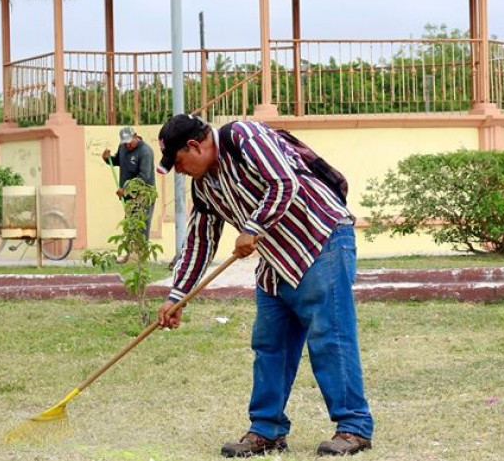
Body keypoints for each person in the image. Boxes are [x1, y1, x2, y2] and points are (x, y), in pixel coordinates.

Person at [155, 114, 374, 458]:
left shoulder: (244, 135)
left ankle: (354, 427)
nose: (179, 171)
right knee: (269, 344)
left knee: (330, 337)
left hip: (321, 241)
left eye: (178, 162)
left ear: (194, 146)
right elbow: (199, 243)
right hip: (275, 261)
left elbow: (284, 183)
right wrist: (177, 297)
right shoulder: (205, 187)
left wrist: (253, 229)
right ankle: (267, 429)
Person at [101, 126, 156, 233]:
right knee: (130, 230)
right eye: (125, 143)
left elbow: (143, 177)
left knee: (141, 231)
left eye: (129, 142)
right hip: (129, 198)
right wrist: (107, 159)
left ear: (135, 136)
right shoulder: (122, 147)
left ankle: (141, 245)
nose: (127, 145)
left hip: (143, 198)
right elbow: (117, 161)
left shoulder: (145, 152)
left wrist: (125, 190)